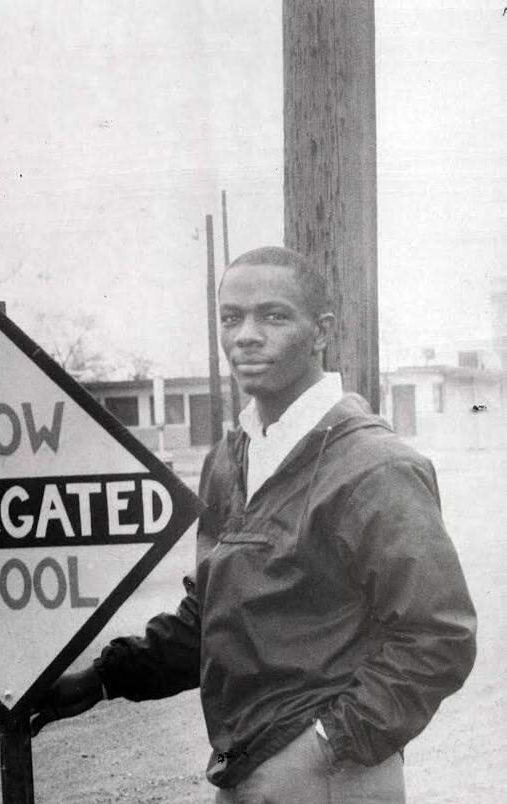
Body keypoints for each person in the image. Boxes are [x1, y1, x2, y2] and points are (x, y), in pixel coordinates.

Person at [30, 246, 477, 801]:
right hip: (245, 770)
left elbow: (439, 636)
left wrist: (327, 746)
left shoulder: (375, 467)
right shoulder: (231, 458)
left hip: (336, 776)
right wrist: (105, 678)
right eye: (231, 317)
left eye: (273, 316)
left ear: (321, 331)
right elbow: (213, 614)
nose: (245, 335)